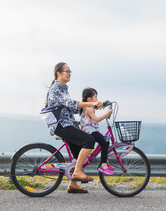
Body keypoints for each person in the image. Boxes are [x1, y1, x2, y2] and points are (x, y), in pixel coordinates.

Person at [45, 62, 103, 193]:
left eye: (70, 71)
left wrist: (91, 107)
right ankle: (77, 172)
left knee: (77, 154)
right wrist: (92, 103)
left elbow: (71, 109)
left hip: (68, 124)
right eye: (67, 71)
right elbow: (71, 103)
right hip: (61, 125)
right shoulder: (56, 88)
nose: (69, 74)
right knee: (89, 140)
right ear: (58, 73)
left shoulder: (64, 88)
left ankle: (73, 184)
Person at [80, 88, 114, 175]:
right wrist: (107, 113)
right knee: (104, 142)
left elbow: (97, 106)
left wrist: (104, 104)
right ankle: (103, 165)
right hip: (89, 131)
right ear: (89, 99)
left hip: (92, 130)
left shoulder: (90, 108)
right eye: (95, 97)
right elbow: (97, 119)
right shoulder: (88, 109)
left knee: (106, 142)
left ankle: (104, 160)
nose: (97, 99)